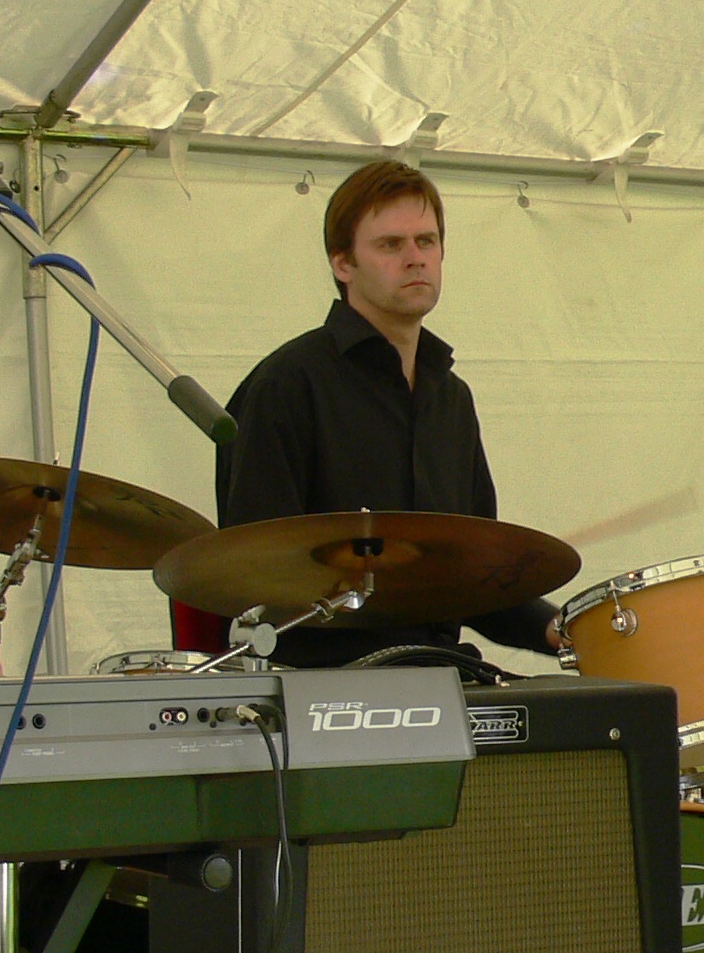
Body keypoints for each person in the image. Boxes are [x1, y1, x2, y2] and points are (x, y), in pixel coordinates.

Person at [211, 159, 556, 668]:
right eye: (391, 245)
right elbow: (257, 576)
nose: (415, 259)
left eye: (426, 241)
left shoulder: (452, 399)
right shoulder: (286, 386)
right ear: (343, 264)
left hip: (440, 670)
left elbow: (475, 578)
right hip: (325, 682)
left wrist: (563, 629)